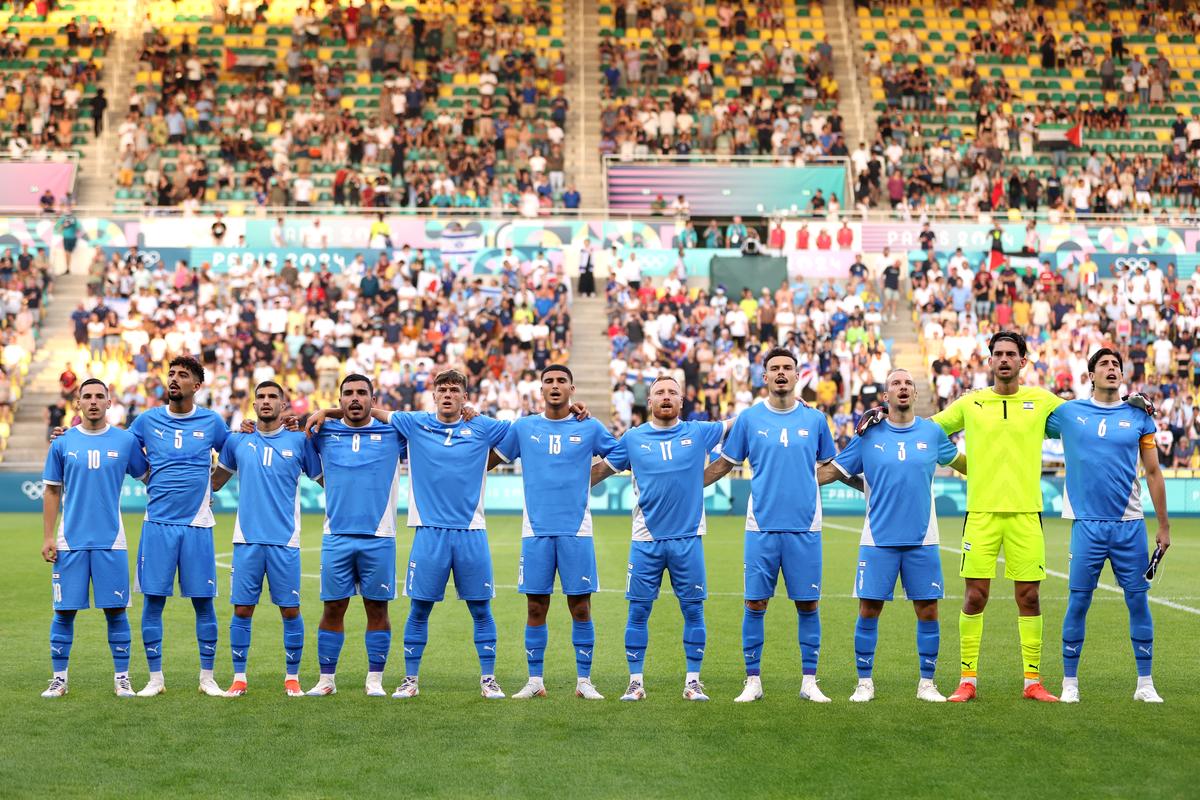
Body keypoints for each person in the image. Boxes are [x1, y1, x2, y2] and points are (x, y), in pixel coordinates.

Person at [311, 370, 512, 699]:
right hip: (428, 531)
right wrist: (327, 412)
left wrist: (477, 450)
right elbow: (367, 410)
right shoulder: (414, 423)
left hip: (472, 531)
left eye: (454, 390)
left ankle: (488, 679)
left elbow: (518, 438)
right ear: (433, 396)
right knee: (419, 609)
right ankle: (410, 680)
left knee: (480, 609)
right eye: (442, 390)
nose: (447, 395)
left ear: (465, 396)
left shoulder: (483, 426)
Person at [703, 348, 853, 703]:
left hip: (806, 527)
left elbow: (831, 467)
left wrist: (867, 480)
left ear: (797, 375)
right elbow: (725, 464)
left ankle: (810, 681)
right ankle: (752, 681)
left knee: (808, 605)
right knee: (755, 604)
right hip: (762, 527)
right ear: (764, 377)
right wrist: (686, 487)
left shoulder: (816, 420)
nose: (781, 373)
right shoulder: (749, 419)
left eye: (788, 367)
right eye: (775, 368)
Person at [817, 369, 966, 703]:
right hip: (877, 539)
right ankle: (864, 683)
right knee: (868, 611)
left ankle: (927, 684)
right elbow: (835, 471)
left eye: (908, 383)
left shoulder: (932, 432)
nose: (903, 387)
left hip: (922, 539)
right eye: (896, 383)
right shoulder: (868, 435)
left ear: (915, 394)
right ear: (885, 397)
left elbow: (964, 463)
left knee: (928, 611)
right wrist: (795, 476)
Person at [591, 376, 728, 702]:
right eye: (659, 393)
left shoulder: (698, 432)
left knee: (693, 611)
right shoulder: (633, 438)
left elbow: (745, 421)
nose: (666, 397)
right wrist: (560, 486)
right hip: (645, 540)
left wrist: (793, 406)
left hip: (688, 538)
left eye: (672, 392)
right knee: (638, 611)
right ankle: (635, 682)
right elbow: (599, 472)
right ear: (649, 402)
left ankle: (692, 682)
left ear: (682, 402)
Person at [1046, 349, 1169, 703]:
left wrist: (1163, 526)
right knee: (1078, 602)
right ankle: (1070, 684)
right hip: (1087, 525)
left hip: (1129, 525)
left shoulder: (1139, 416)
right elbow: (1031, 418)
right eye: (1105, 365)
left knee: (1138, 602)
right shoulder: (1069, 413)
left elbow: (1153, 471)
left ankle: (1145, 684)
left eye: (1116, 365)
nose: (1112, 369)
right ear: (1090, 375)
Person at [492, 365, 616, 700]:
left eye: (561, 381)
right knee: (535, 607)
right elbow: (490, 457)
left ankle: (584, 681)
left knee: (580, 607)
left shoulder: (589, 427)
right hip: (536, 531)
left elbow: (621, 454)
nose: (555, 386)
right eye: (549, 381)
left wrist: (591, 475)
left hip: (577, 530)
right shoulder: (524, 426)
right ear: (541, 389)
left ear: (572, 389)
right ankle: (535, 681)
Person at [127, 356, 231, 697]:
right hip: (157, 524)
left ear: (196, 386)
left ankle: (207, 678)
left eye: (182, 375)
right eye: (171, 374)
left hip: (198, 526)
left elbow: (233, 455)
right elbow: (123, 449)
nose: (174, 379)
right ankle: (155, 679)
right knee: (153, 603)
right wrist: (146, 476)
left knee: (203, 603)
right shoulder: (146, 421)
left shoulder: (212, 422)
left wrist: (213, 485)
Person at [211, 382, 323, 697]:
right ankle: (239, 678)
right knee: (242, 610)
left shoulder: (300, 442)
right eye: (260, 396)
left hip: (285, 541)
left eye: (272, 396)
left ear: (283, 404)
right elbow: (216, 483)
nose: (266, 401)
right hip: (246, 541)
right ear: (253, 403)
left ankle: (292, 678)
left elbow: (323, 479)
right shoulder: (239, 441)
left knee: (290, 610)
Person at [40, 379, 148, 697]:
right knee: (63, 612)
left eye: (99, 396)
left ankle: (122, 679)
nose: (93, 401)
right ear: (78, 403)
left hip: (111, 541)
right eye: (87, 396)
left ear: (109, 402)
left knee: (116, 611)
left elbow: (149, 478)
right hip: (69, 541)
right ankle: (59, 679)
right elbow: (51, 490)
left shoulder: (125, 441)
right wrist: (48, 537)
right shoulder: (62, 443)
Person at [303, 374, 405, 697]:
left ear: (374, 402)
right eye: (349, 394)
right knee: (333, 608)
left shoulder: (394, 432)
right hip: (337, 537)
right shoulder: (323, 433)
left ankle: (374, 679)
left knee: (378, 610)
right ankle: (326, 680)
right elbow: (310, 461)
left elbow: (426, 423)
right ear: (340, 400)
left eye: (363, 393)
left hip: (380, 536)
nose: (355, 398)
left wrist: (327, 411)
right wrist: (324, 415)